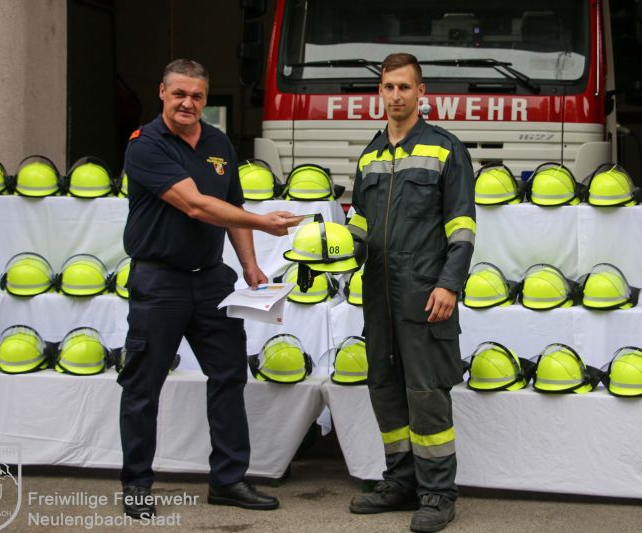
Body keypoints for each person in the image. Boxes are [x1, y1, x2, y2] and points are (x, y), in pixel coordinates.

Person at [118, 58, 303, 519]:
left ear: (205, 98)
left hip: (211, 280)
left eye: (197, 96)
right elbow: (197, 207)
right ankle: (137, 484)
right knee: (143, 385)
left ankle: (227, 480)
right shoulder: (145, 145)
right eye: (179, 93)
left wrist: (251, 265)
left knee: (229, 376)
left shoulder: (218, 143)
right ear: (162, 92)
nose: (188, 103)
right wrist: (263, 223)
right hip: (159, 281)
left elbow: (230, 204)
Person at [346, 53, 476, 533]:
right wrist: (328, 257)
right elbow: (360, 225)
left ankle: (438, 493)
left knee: (426, 394)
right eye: (389, 87)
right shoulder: (370, 155)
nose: (396, 95)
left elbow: (462, 226)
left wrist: (449, 284)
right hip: (378, 295)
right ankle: (400, 482)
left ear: (422, 93)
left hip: (425, 293)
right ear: (379, 92)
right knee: (384, 389)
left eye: (405, 87)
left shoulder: (445, 149)